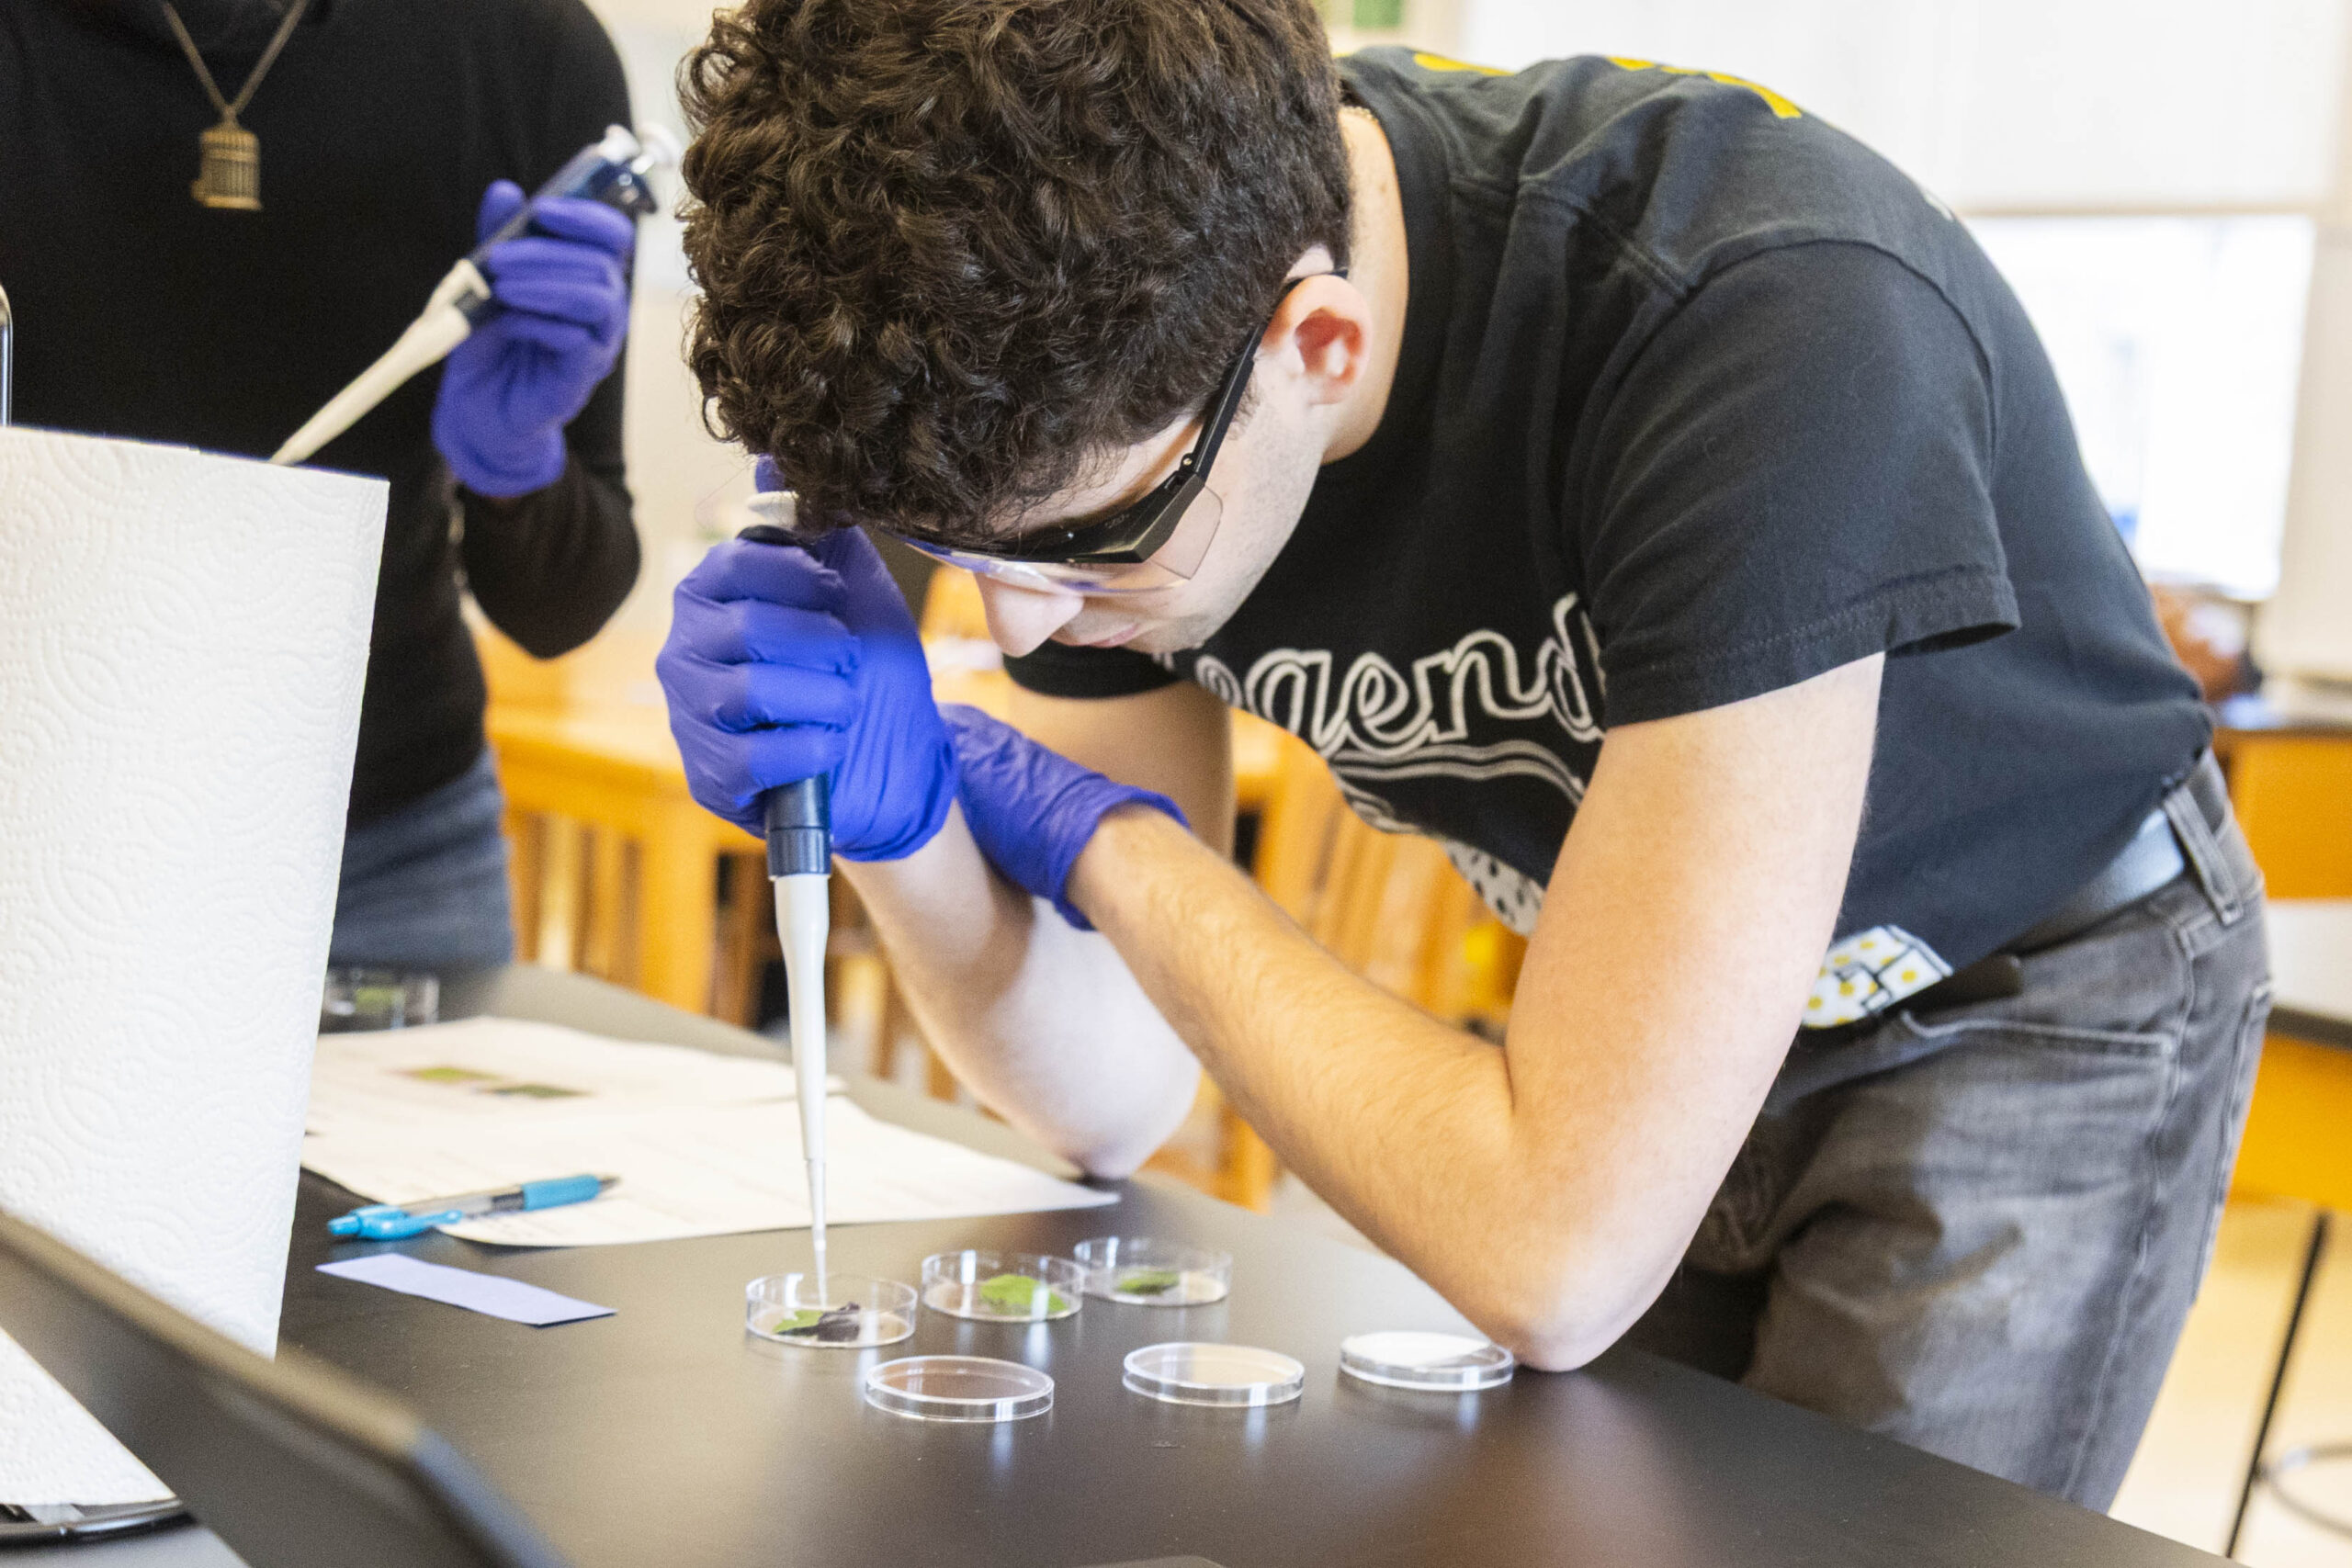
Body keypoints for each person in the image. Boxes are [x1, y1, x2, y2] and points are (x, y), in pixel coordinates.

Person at [655, 0, 2269, 1507]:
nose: (1017, 624)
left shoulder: (1758, 321)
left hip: (2020, 981)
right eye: (961, 552)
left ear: (1317, 345)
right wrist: (903, 830)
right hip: (1638, 1008)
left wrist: (1115, 846)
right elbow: (1114, 1094)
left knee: (1846, 1534)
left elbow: (1552, 1251)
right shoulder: (1102, 366)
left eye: (1082, 547)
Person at [0, 0, 643, 969]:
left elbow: (560, 609)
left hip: (383, 855)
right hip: (29, 821)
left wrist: (515, 465)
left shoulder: (524, 50)